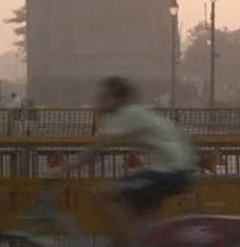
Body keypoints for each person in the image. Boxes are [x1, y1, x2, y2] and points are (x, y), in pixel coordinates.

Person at [50, 76, 197, 247]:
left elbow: (95, 150)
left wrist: (62, 170)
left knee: (103, 193)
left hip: (168, 172)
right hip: (177, 171)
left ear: (118, 98)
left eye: (104, 97)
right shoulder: (137, 112)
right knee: (138, 228)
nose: (99, 101)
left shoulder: (127, 114)